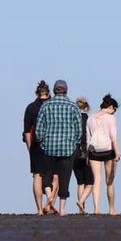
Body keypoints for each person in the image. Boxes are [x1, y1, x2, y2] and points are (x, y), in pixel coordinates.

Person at [34, 79, 82, 217]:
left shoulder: (45, 106)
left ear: (54, 91)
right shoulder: (73, 107)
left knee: (47, 175)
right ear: (66, 91)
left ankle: (49, 195)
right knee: (65, 178)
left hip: (49, 146)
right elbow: (79, 129)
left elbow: (39, 128)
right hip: (67, 147)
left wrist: (41, 140)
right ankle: (62, 209)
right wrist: (75, 142)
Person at [86, 94, 121, 215]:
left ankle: (96, 208)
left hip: (94, 151)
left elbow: (88, 138)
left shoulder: (90, 118)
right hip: (108, 150)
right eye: (115, 110)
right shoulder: (111, 118)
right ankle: (111, 209)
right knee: (109, 181)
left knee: (97, 179)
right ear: (111, 107)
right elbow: (113, 136)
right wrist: (117, 152)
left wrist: (87, 154)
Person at [23, 80, 52, 215]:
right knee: (55, 176)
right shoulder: (52, 106)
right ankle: (49, 203)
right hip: (52, 144)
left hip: (36, 145)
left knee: (37, 176)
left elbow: (27, 130)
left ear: (37, 93)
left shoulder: (31, 108)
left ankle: (40, 209)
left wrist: (30, 148)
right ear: (49, 93)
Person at [72, 97, 94, 214]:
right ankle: (81, 202)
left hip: (73, 151)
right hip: (85, 151)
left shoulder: (73, 120)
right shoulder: (88, 120)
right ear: (87, 108)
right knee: (90, 182)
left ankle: (81, 208)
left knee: (80, 182)